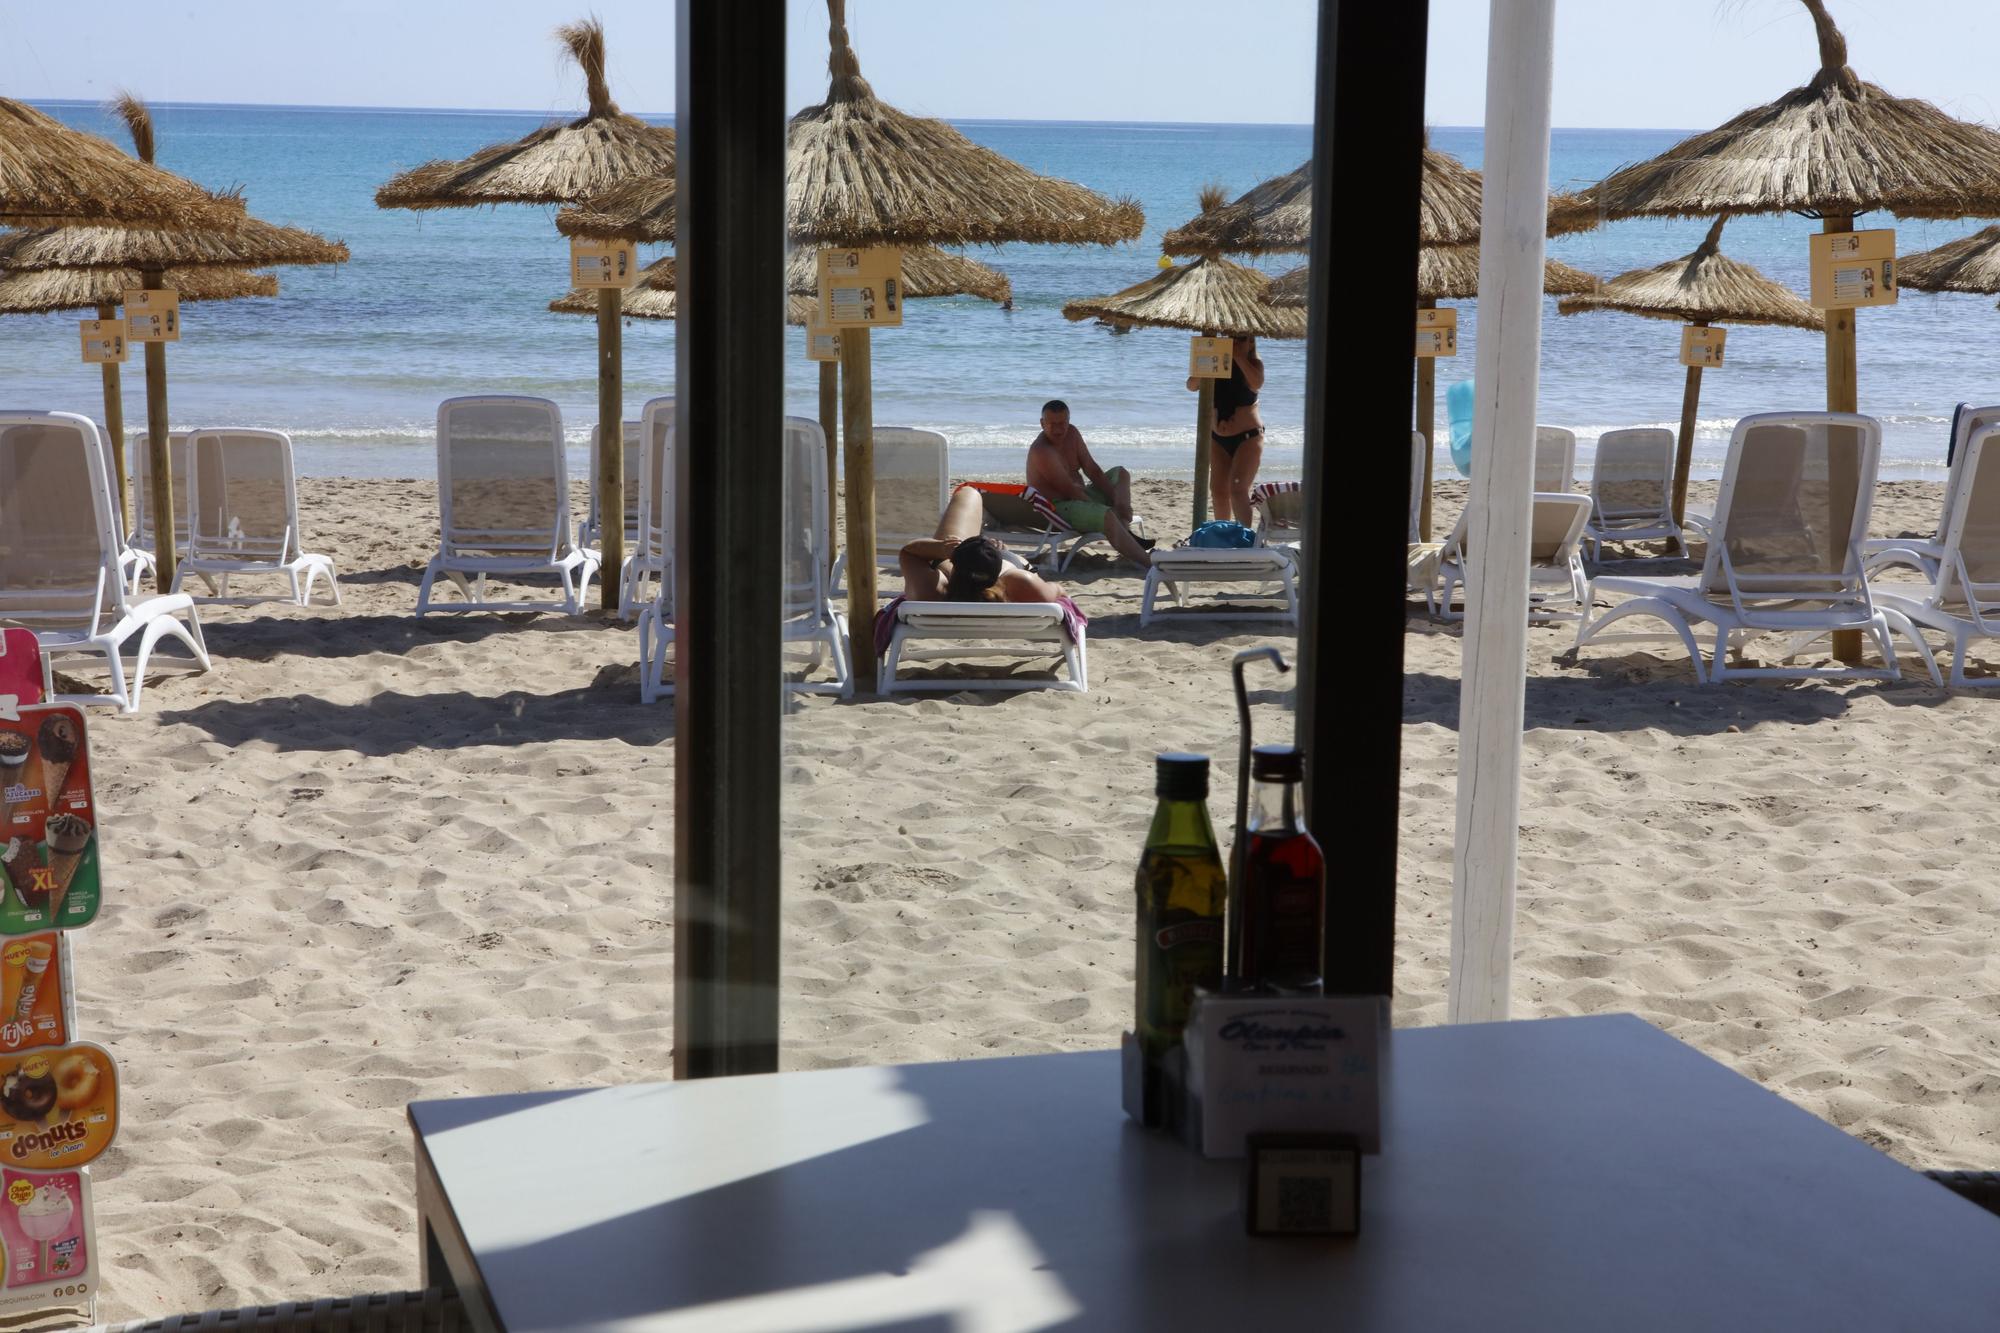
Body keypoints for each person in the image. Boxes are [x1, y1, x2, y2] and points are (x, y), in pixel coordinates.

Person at [1024, 400, 1153, 569]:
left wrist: (1116, 501)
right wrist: (1105, 508)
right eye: (1052, 424)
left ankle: (1123, 523)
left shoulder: (1072, 434)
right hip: (1058, 507)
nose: (1058, 429)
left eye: (1062, 423)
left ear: (1068, 420)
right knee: (1106, 514)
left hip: (1081, 495)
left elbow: (1092, 470)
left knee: (1120, 473)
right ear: (1042, 424)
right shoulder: (1042, 451)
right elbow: (1069, 490)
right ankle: (1147, 562)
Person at [899, 485, 1062, 603]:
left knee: (969, 492)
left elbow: (908, 552)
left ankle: (974, 552)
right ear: (996, 572)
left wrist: (941, 549)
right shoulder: (1021, 584)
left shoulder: (930, 592)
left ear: (954, 564)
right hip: (1010, 566)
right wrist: (999, 556)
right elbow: (1058, 591)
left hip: (986, 567)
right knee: (984, 554)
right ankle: (988, 555)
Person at [1192, 335, 1265, 523]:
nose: (1235, 343)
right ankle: (1224, 537)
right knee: (1218, 490)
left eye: (1241, 339)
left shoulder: (1254, 363)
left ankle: (1244, 541)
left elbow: (1257, 383)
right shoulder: (1216, 363)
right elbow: (1191, 385)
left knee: (1238, 489)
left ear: (1251, 342)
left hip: (1247, 437)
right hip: (1217, 437)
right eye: (1230, 339)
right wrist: (1207, 359)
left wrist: (1239, 357)